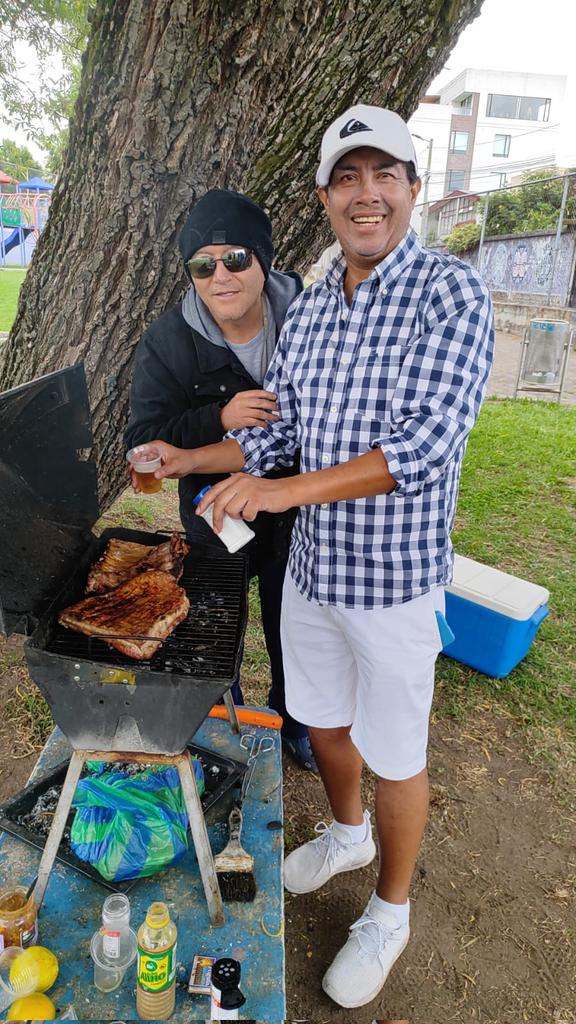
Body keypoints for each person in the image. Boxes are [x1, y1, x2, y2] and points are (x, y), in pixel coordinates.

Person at [137, 104, 494, 1008]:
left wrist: (278, 491)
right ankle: (346, 832)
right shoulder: (319, 298)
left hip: (392, 582)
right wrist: (197, 463)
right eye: (346, 178)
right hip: (312, 575)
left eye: (383, 175)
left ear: (411, 188)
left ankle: (390, 909)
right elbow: (282, 428)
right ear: (327, 199)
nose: (364, 194)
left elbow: (419, 450)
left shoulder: (451, 295)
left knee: (396, 753)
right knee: (324, 724)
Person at [124, 188, 317, 772]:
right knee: (213, 627)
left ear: (263, 259)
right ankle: (222, 728)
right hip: (217, 514)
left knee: (297, 627)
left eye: (235, 258)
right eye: (202, 265)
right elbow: (147, 435)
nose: (220, 277)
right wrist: (218, 416)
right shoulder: (168, 340)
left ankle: (296, 723)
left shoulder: (310, 314)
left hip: (302, 506)